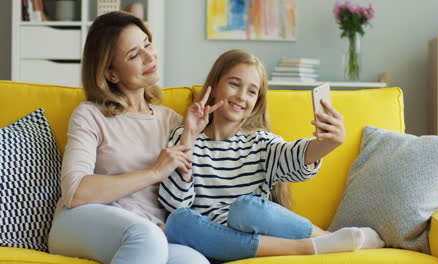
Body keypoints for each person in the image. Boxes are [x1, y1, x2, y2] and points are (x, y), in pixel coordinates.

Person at [158, 49, 385, 262]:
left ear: (257, 101)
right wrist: (189, 135)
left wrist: (327, 143)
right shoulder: (184, 136)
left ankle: (325, 237)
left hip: (255, 233)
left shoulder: (260, 142)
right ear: (215, 85)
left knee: (245, 208)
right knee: (178, 222)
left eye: (251, 91)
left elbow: (293, 156)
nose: (241, 96)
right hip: (213, 241)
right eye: (234, 84)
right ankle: (312, 245)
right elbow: (176, 203)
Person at [47, 11, 209, 264]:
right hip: (81, 221)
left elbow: (183, 195)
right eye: (134, 54)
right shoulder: (91, 115)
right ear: (111, 74)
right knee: (147, 237)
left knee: (194, 260)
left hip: (150, 231)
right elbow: (75, 192)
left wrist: (190, 134)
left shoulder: (172, 120)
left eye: (147, 44)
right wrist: (154, 172)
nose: (149, 56)